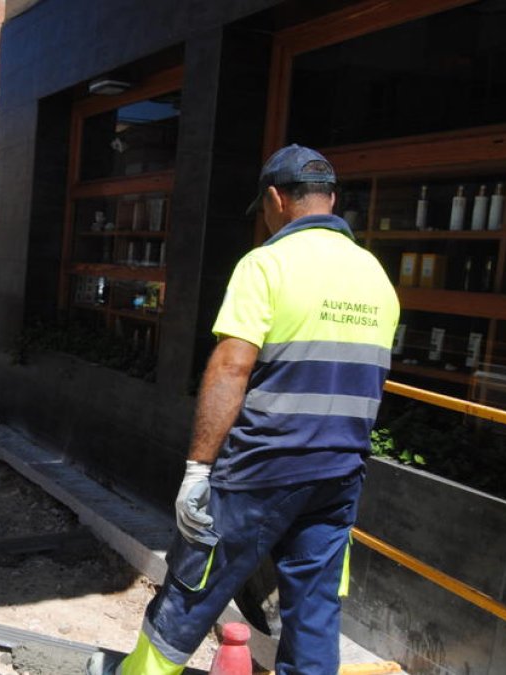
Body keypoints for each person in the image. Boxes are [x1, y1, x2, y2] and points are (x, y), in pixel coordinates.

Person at [88, 145, 399, 675]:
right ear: (332, 199)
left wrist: (197, 470)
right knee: (316, 610)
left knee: (194, 584)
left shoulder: (267, 264)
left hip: (264, 467)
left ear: (277, 199)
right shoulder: (375, 274)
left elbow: (231, 369)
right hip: (342, 470)